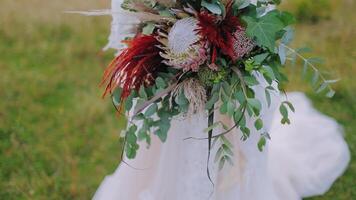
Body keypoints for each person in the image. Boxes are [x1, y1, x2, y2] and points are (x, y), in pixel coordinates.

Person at [93, 1, 350, 199]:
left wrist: (230, 50)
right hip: (169, 82)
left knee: (233, 148)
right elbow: (126, 32)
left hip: (231, 72)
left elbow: (258, 15)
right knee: (171, 147)